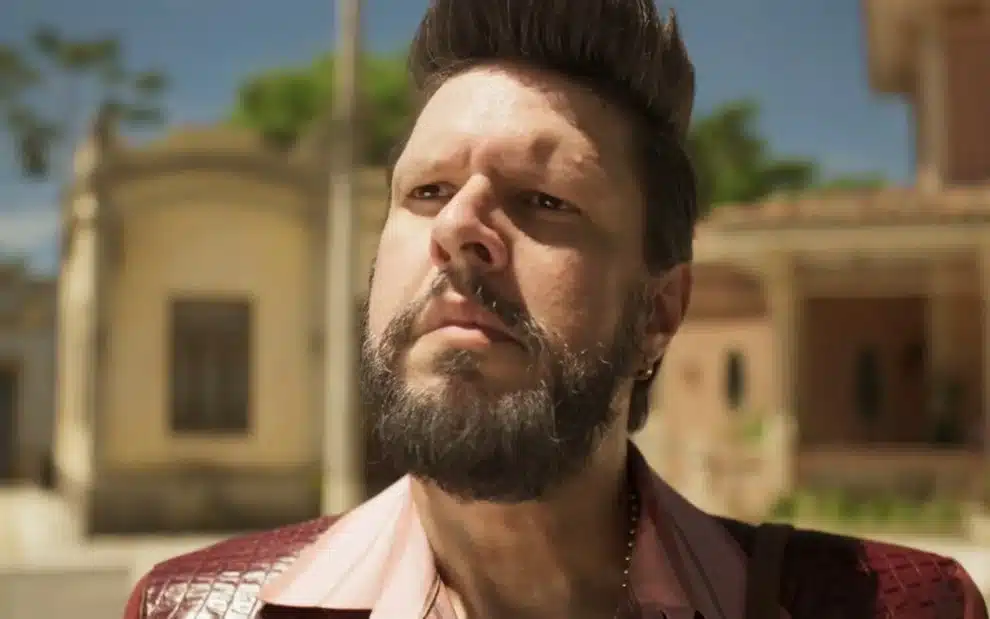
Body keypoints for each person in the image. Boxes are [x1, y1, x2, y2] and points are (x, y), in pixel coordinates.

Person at [122, 1, 987, 618]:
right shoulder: (190, 609)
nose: (458, 228)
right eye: (426, 191)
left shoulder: (900, 606)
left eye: (544, 200)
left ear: (658, 313)